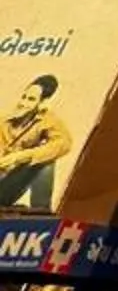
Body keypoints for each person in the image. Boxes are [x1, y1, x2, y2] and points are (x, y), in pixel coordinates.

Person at [0, 74, 73, 212]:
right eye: (24, 97)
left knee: (46, 162)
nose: (23, 103)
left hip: (6, 188)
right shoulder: (3, 121)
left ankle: (41, 213)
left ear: (42, 103)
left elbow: (64, 143)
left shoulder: (46, 120)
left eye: (31, 99)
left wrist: (21, 156)